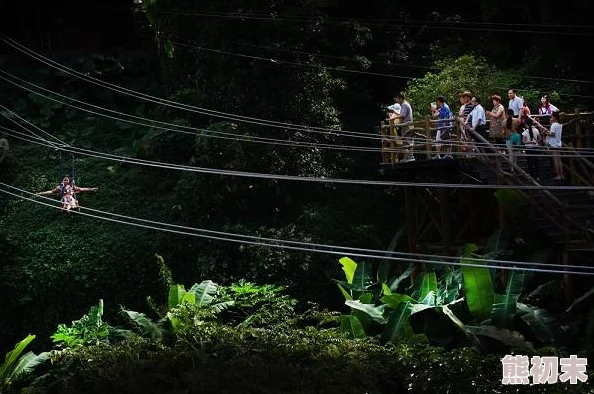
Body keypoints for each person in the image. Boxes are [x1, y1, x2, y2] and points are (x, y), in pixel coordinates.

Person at [394, 92, 415, 162]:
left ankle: (410, 156)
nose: (397, 100)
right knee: (406, 141)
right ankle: (407, 157)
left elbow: (402, 115)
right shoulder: (404, 104)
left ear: (400, 98)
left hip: (407, 125)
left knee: (407, 141)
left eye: (397, 98)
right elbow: (402, 114)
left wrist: (392, 119)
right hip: (407, 125)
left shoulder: (404, 105)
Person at [543, 111, 564, 180]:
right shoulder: (560, 124)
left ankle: (558, 175)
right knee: (559, 160)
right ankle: (561, 174)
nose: (551, 118)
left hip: (554, 144)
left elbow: (552, 134)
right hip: (558, 143)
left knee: (555, 159)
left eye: (552, 117)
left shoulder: (554, 125)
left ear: (554, 117)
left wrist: (546, 133)